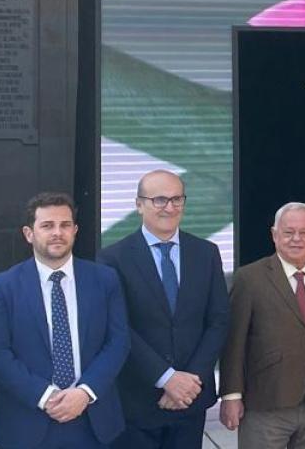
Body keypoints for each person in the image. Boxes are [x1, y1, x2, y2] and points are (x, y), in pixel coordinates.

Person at [0, 192, 130, 449]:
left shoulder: (104, 280)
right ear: (29, 234)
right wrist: (46, 396)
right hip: (28, 422)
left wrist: (85, 392)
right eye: (47, 225)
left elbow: (118, 342)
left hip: (93, 419)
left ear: (75, 230)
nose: (57, 233)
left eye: (65, 225)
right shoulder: (4, 286)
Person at [99, 170, 231, 449]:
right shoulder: (112, 258)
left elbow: (218, 320)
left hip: (190, 400)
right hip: (138, 400)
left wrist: (189, 380)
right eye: (159, 200)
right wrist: (167, 378)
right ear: (139, 205)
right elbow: (119, 328)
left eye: (176, 199)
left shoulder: (206, 252)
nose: (169, 208)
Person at [218, 202, 305, 449]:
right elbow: (233, 341)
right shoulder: (249, 277)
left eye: (304, 232)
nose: (296, 238)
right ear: (274, 234)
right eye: (288, 232)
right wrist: (231, 396)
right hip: (266, 401)